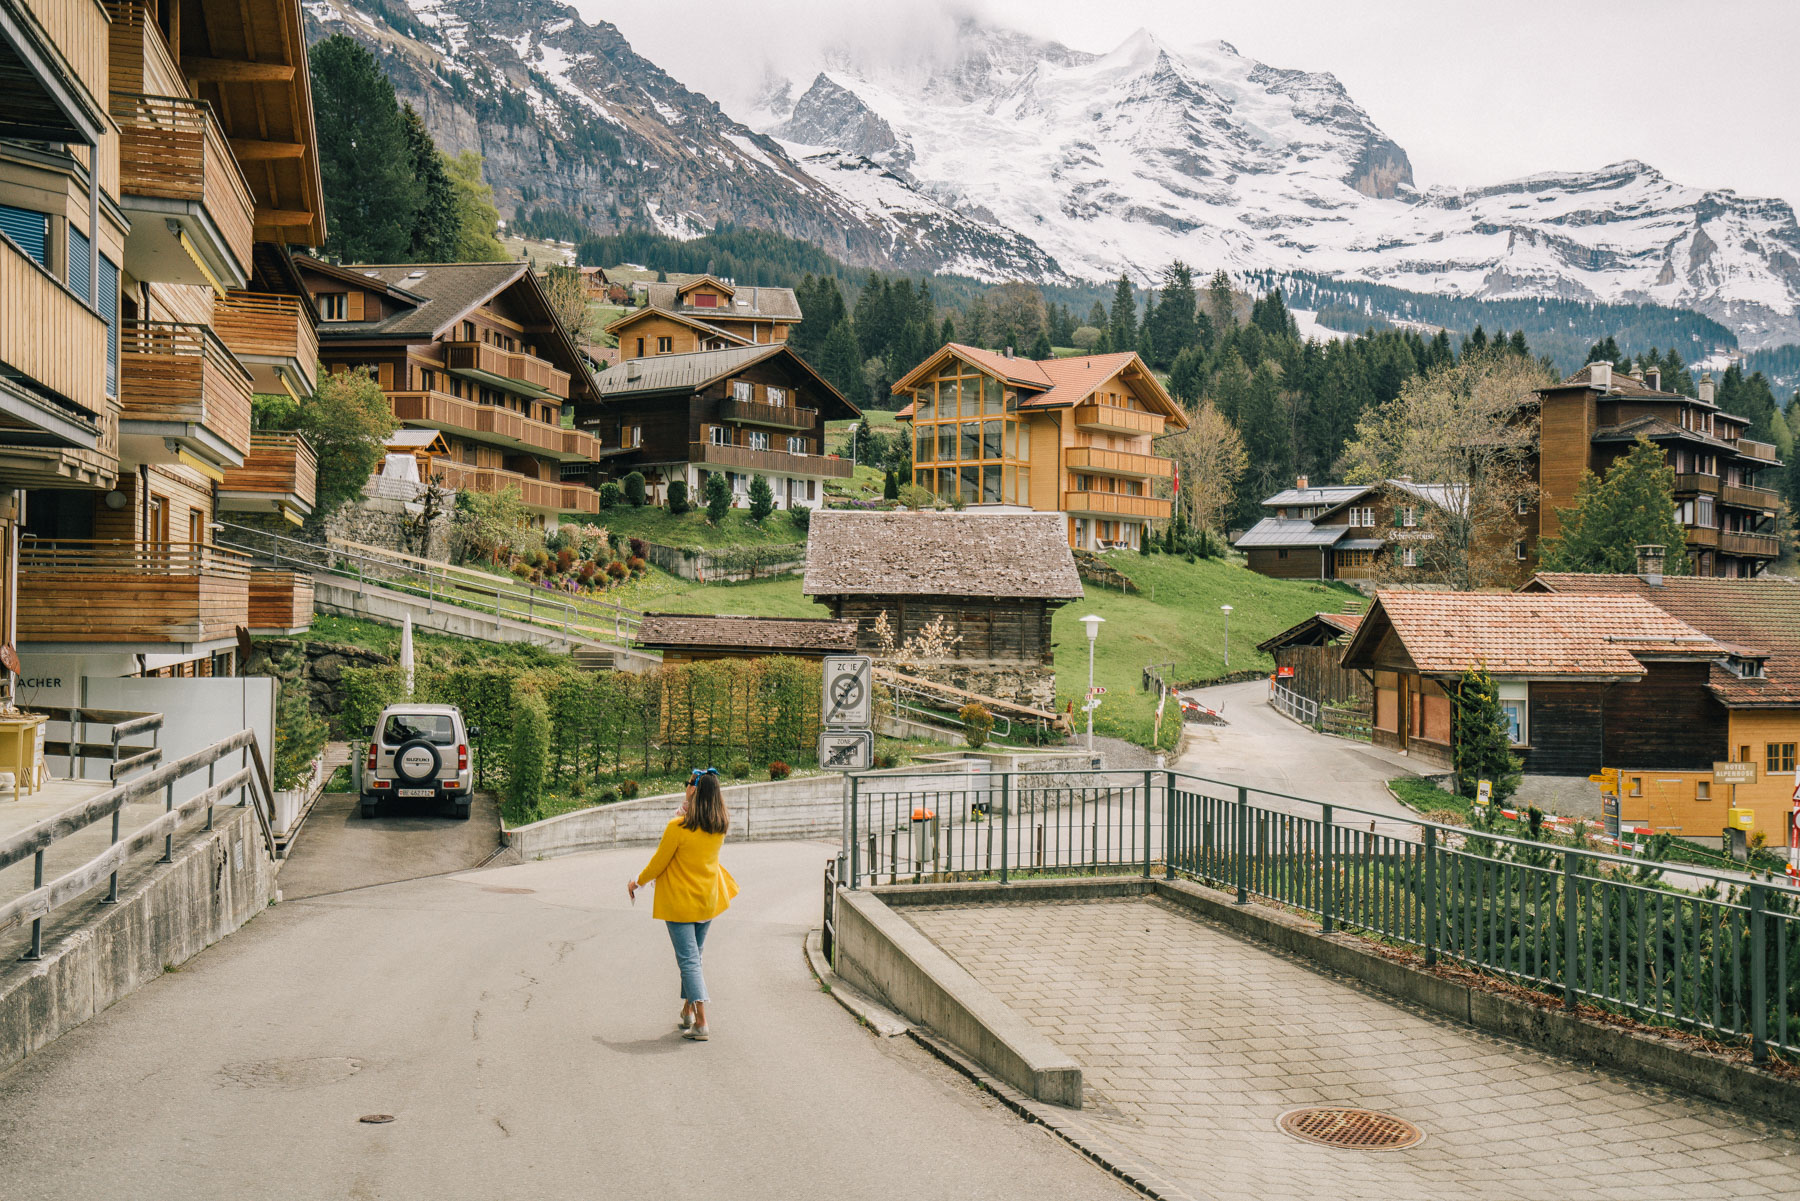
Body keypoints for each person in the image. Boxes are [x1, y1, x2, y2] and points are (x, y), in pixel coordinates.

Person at [628, 768, 737, 1041]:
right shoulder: (719, 825)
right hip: (707, 900)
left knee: (689, 961)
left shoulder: (677, 827)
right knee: (695, 958)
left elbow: (658, 863)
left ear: (693, 791)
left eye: (689, 784)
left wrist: (637, 883)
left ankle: (701, 1021)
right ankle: (687, 1010)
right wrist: (689, 802)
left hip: (680, 903)